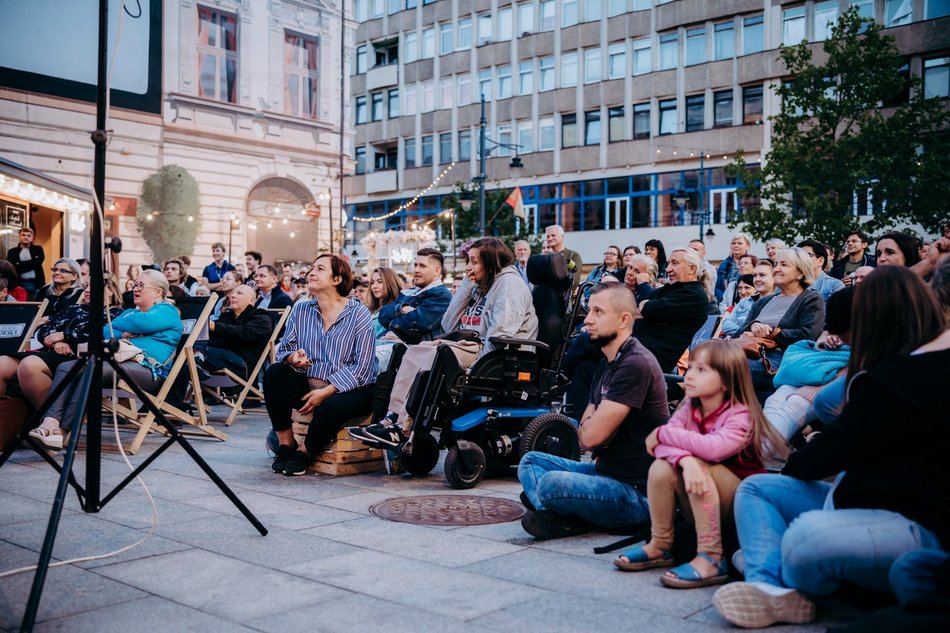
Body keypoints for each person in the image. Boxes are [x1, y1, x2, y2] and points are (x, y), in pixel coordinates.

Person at [712, 266, 950, 628]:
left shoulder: (897, 379)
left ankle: (768, 568)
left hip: (914, 522)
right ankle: (769, 589)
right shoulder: (883, 374)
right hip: (858, 500)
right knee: (759, 487)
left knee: (804, 537)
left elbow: (831, 452)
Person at [614, 340, 788, 587]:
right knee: (662, 467)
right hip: (703, 493)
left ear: (727, 381)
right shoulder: (690, 406)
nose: (690, 375)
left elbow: (713, 448)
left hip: (742, 503)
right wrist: (686, 460)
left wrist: (664, 434)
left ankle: (711, 557)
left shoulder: (741, 414)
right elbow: (655, 448)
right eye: (691, 367)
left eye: (702, 370)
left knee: (701, 467)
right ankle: (660, 544)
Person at [518, 284, 668, 540]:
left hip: (637, 493)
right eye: (589, 311)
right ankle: (565, 517)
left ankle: (563, 516)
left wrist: (593, 421)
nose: (587, 320)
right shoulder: (606, 363)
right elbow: (585, 435)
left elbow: (589, 438)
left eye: (598, 312)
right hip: (605, 472)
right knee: (531, 461)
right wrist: (593, 421)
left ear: (623, 320)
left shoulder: (635, 364)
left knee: (552, 484)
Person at [356, 238, 537, 447]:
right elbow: (448, 324)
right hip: (470, 344)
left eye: (474, 262)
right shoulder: (481, 286)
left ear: (490, 262)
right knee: (414, 351)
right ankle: (393, 418)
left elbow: (501, 336)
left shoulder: (509, 285)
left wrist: (477, 372)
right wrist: (468, 285)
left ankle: (402, 426)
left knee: (428, 355)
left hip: (500, 354)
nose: (469, 267)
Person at [27, 270, 183, 450]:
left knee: (91, 368)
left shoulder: (168, 311)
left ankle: (62, 432)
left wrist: (121, 326)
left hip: (149, 371)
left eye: (141, 285)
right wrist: (123, 329)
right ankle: (50, 423)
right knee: (67, 366)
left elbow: (137, 323)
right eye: (134, 285)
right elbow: (104, 331)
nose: (135, 289)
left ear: (158, 292)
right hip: (120, 363)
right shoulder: (131, 312)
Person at [264, 255, 377, 476]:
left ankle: (305, 452)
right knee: (275, 373)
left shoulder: (358, 313)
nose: (311, 273)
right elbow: (285, 348)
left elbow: (363, 367)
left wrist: (327, 391)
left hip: (351, 389)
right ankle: (286, 445)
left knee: (331, 405)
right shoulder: (301, 309)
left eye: (320, 269)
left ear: (337, 279)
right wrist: (292, 358)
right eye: (312, 268)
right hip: (308, 383)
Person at [0, 273, 124, 413]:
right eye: (86, 286)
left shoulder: (116, 314)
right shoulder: (74, 309)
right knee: (2, 363)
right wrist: (56, 343)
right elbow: (44, 331)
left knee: (29, 365)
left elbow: (99, 337)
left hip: (79, 357)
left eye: (93, 286)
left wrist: (65, 335)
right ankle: (6, 424)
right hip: (53, 353)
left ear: (109, 290)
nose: (87, 290)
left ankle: (50, 420)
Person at [738, 248, 824, 397]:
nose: (776, 269)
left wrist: (772, 332)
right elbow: (740, 331)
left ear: (800, 273)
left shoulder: (810, 299)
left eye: (784, 265)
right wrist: (753, 325)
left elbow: (808, 335)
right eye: (776, 264)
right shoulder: (764, 301)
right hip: (747, 352)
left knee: (725, 368)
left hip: (778, 358)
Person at [633, 247, 712, 373]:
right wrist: (646, 308)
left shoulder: (694, 295)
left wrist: (647, 308)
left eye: (674, 263)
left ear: (692, 269)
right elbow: (637, 310)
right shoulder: (672, 288)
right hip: (634, 349)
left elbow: (649, 309)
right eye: (669, 263)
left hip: (648, 360)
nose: (668, 268)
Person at [377, 248, 453, 343]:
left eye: (422, 266)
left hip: (414, 351)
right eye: (415, 265)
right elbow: (382, 316)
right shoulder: (408, 292)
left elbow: (416, 325)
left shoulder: (442, 295)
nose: (416, 270)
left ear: (437, 271)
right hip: (388, 342)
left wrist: (393, 318)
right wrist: (402, 309)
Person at [6, 227, 45, 299]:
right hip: (19, 285)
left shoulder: (38, 249)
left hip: (36, 284)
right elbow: (12, 267)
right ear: (19, 236)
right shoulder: (12, 252)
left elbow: (38, 262)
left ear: (32, 237)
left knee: (36, 307)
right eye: (23, 235)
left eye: (28, 235)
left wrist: (19, 264)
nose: (26, 237)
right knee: (21, 307)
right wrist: (33, 263)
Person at [545, 225, 583, 295]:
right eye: (548, 236)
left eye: (553, 235)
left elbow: (574, 281)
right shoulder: (545, 258)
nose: (550, 238)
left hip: (564, 300)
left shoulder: (573, 256)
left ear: (562, 237)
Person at [365, 266, 402, 338]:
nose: (374, 286)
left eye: (380, 282)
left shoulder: (395, 310)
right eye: (372, 282)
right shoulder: (368, 309)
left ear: (391, 283)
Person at [716, 234, 751, 302]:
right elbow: (718, 288)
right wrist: (724, 301)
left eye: (739, 243)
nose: (736, 245)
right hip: (726, 304)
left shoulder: (753, 263)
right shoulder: (724, 265)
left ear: (747, 246)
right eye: (733, 243)